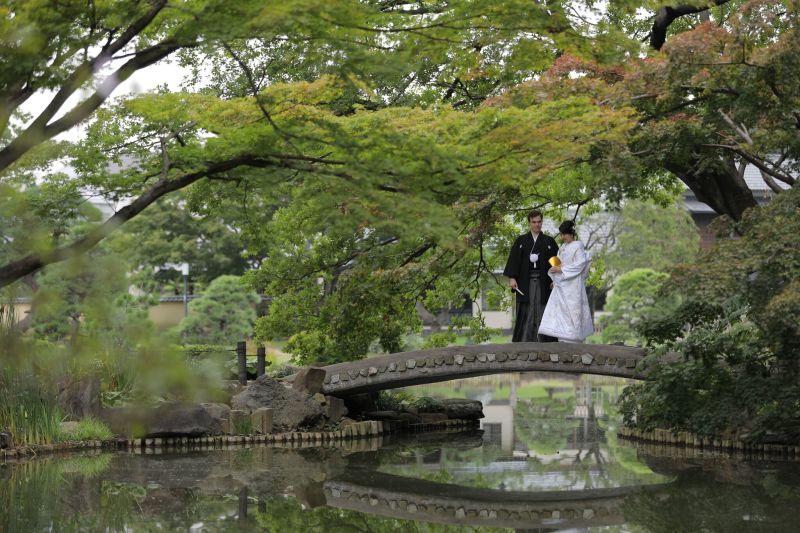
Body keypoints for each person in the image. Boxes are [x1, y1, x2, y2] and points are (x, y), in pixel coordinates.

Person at [503, 210, 559, 342]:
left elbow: (556, 264)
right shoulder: (521, 241)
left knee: (543, 308)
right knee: (526, 309)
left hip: (544, 282)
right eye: (534, 222)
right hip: (525, 282)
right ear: (529, 223)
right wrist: (512, 278)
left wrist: (555, 280)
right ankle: (525, 340)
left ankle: (545, 340)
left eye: (539, 222)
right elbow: (514, 261)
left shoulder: (549, 242)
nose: (536, 225)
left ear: (542, 222)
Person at [538, 220, 594, 343]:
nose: (562, 237)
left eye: (564, 234)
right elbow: (559, 263)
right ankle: (562, 337)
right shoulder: (563, 247)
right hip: (562, 284)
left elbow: (580, 264)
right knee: (560, 310)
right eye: (561, 234)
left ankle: (573, 338)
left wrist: (561, 269)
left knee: (572, 310)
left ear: (571, 234)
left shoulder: (578, 246)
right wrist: (555, 277)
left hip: (573, 284)